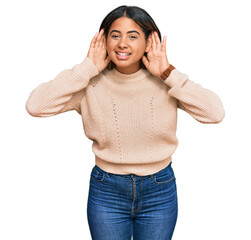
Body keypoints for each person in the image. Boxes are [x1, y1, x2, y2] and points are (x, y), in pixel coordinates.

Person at [25, 5, 225, 240]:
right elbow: (35, 106)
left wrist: (168, 73)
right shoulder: (89, 83)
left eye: (133, 36)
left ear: (150, 41)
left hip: (159, 189)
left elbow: (215, 113)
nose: (122, 43)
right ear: (104, 40)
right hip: (106, 190)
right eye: (115, 35)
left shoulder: (166, 82)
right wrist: (87, 67)